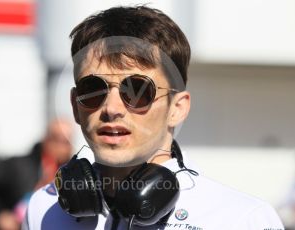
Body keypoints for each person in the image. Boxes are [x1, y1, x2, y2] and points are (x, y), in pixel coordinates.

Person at [23, 6, 284, 230]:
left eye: (137, 91)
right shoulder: (44, 208)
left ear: (178, 108)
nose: (112, 108)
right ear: (75, 105)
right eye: (93, 90)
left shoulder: (241, 220)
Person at [0, 118, 73, 230]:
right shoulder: (19, 166)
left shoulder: (72, 177)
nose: (62, 147)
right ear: (45, 139)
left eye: (67, 141)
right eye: (57, 139)